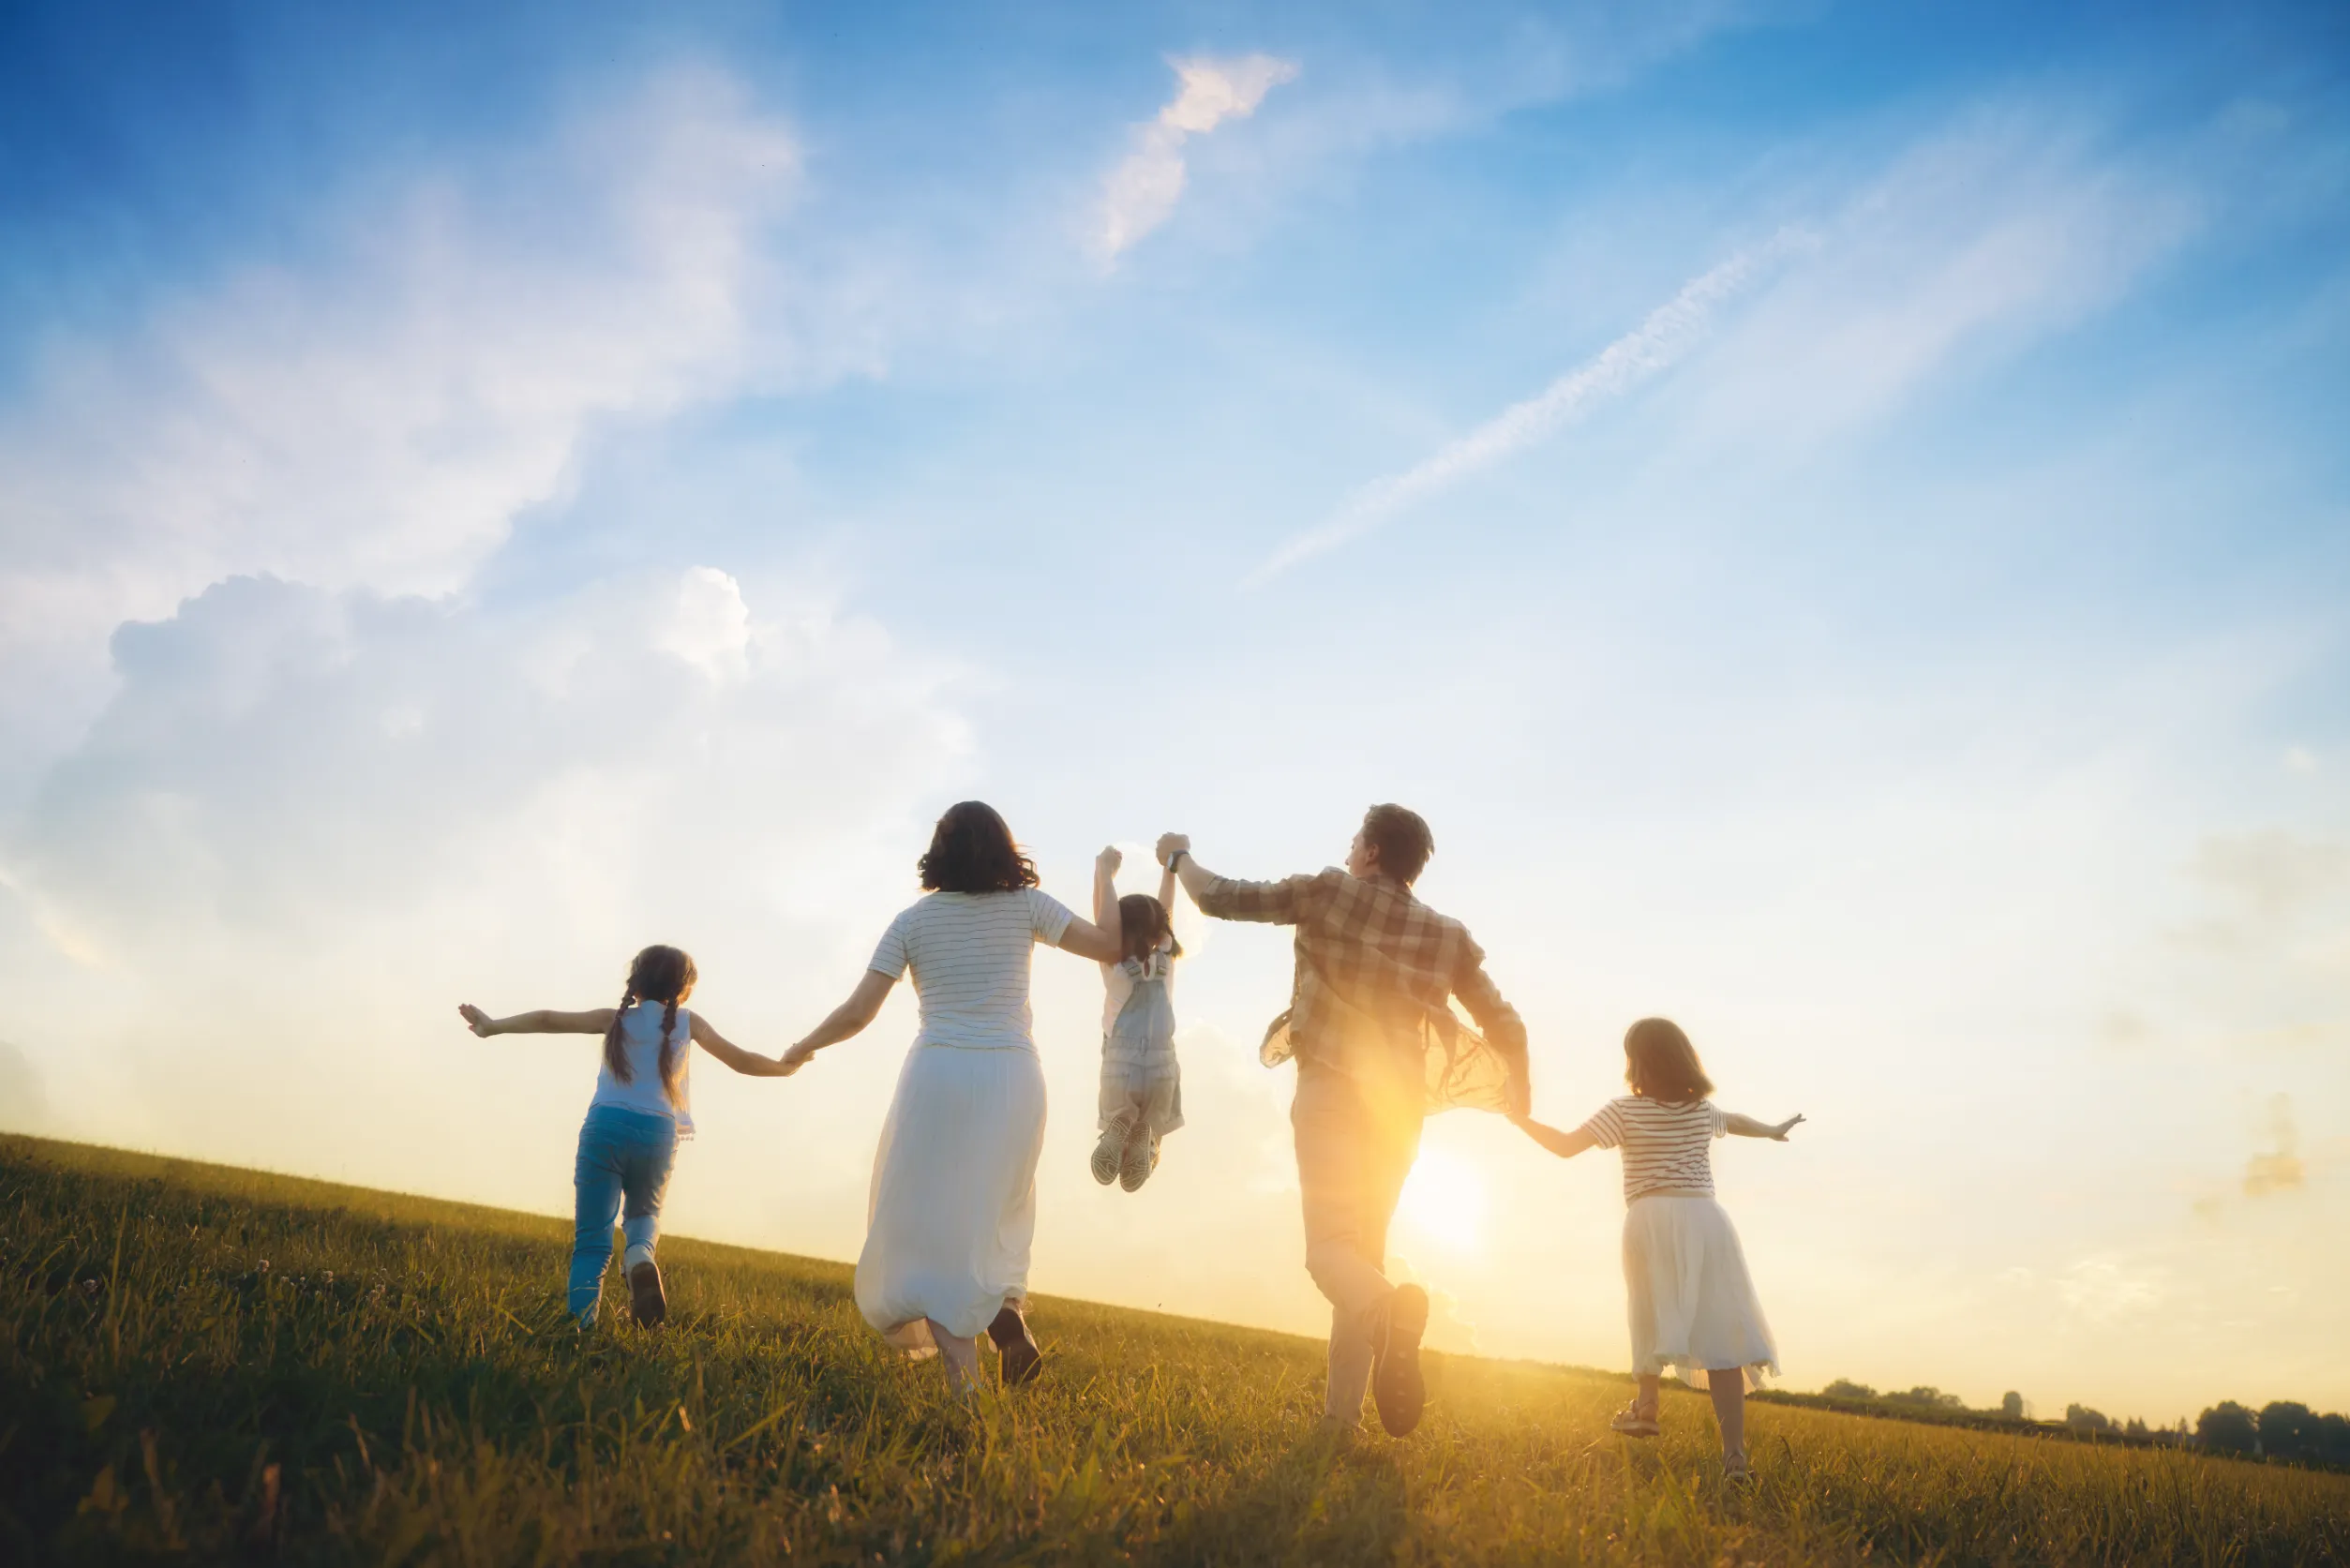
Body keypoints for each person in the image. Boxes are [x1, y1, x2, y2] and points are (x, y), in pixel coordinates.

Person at [1156, 804, 1526, 1439]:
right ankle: (1340, 1420)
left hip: (1330, 1089)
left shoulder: (1328, 891)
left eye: (1356, 840)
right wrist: (1516, 1089)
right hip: (1397, 1112)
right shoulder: (1446, 936)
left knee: (1330, 1253)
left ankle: (1388, 1318)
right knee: (1362, 1256)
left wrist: (1178, 856)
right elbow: (1504, 1022)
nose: (1350, 849)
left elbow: (1218, 897)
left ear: (1373, 852)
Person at [780, 802, 1125, 1395]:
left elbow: (859, 1012)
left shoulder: (913, 920)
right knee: (995, 1210)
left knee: (927, 1227)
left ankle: (966, 1382)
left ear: (939, 850)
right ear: (1002, 848)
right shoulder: (1027, 907)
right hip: (1013, 1078)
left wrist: (802, 1047)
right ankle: (1004, 1310)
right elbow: (1110, 947)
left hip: (937, 1075)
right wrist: (1105, 877)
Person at [1513, 1017, 1802, 1479]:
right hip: (1706, 1219)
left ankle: (1647, 1406)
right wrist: (1770, 1130)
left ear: (1636, 1060)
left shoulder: (1624, 1110)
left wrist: (1517, 1118)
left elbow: (1566, 1147)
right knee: (1721, 1331)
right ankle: (1734, 1458)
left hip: (1649, 1216)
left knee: (1648, 1309)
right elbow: (1736, 1121)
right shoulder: (1699, 1112)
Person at [457, 944, 792, 1328]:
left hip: (605, 1126)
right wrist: (786, 1068)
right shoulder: (689, 1023)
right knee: (644, 1215)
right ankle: (639, 1256)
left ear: (635, 983)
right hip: (658, 1133)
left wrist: (493, 1026)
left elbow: (549, 1019)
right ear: (682, 991)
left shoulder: (613, 1019)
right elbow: (741, 1061)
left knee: (591, 1243)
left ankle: (581, 1331)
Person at [1090, 846, 1184, 1192]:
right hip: (1162, 1064)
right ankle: (1149, 1138)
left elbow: (1103, 919)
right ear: (1161, 934)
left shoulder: (1115, 966)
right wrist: (1169, 871)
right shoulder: (1166, 960)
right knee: (1156, 1119)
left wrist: (1103, 873)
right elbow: (1166, 911)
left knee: (1119, 1113)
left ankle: (1120, 1124)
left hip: (1120, 1063)